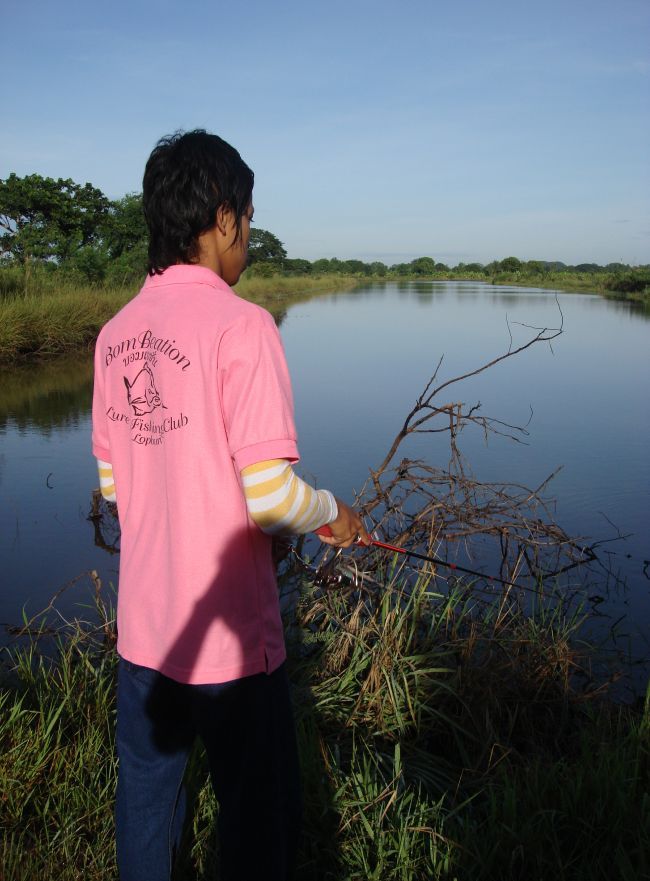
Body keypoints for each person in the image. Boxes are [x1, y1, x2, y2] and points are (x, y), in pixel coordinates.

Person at [91, 129, 369, 881]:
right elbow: (273, 496)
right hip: (233, 649)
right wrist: (333, 515)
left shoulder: (115, 335)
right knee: (256, 813)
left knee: (148, 801)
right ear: (223, 220)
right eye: (247, 219)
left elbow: (117, 489)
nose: (247, 236)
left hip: (147, 636)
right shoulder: (244, 325)